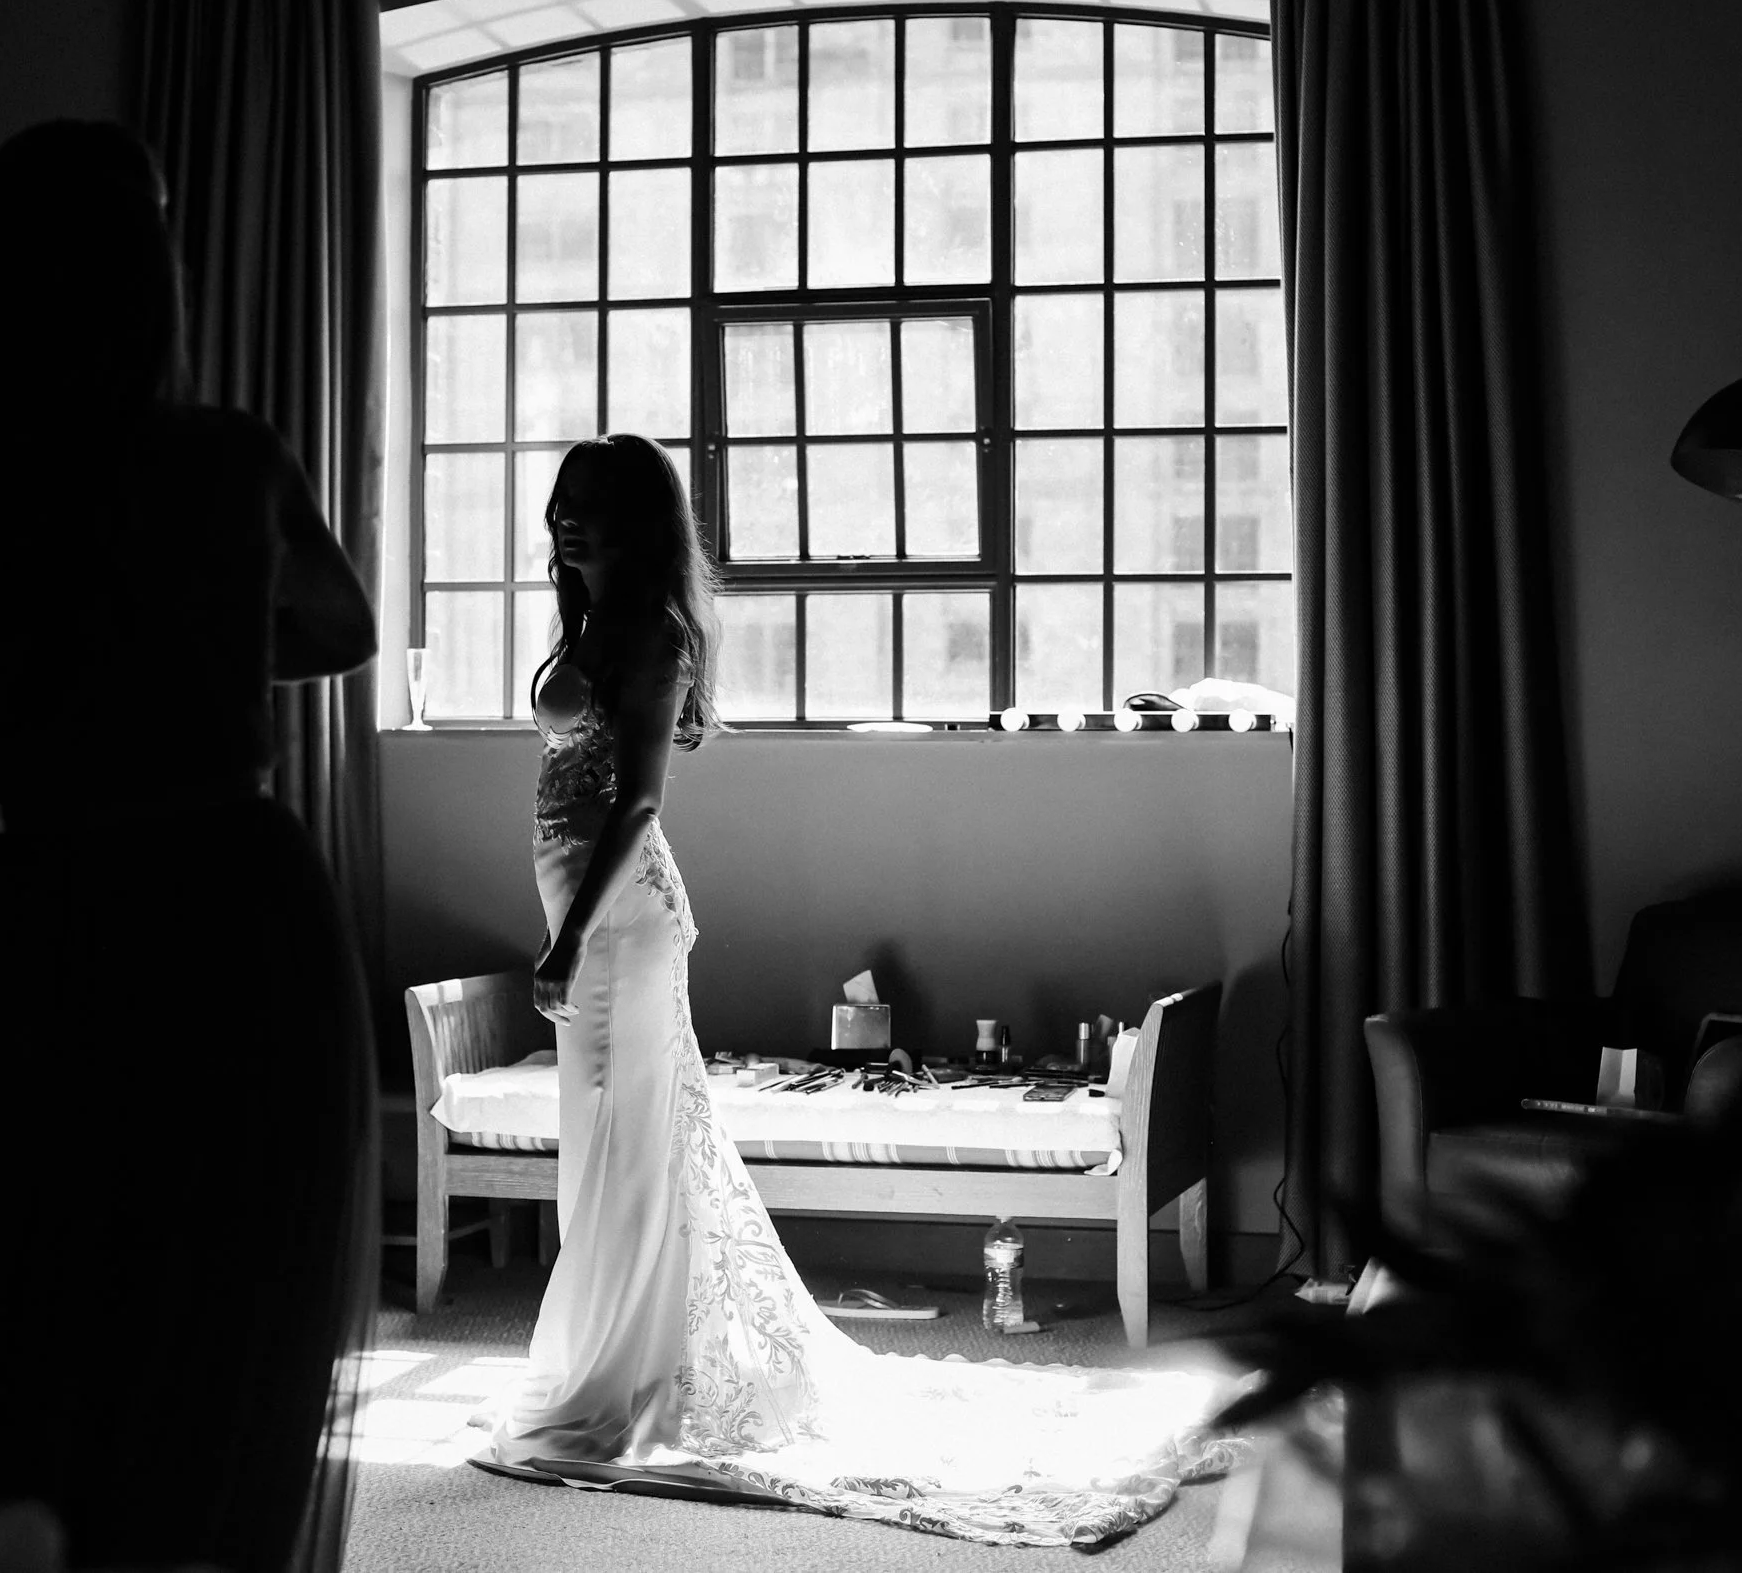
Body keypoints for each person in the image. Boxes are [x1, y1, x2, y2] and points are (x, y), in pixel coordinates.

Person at [0, 119, 378, 1573]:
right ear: (149, 285)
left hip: (66, 933)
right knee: (223, 1337)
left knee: (22, 1328)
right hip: (243, 920)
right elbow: (341, 628)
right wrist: (217, 638)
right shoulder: (231, 461)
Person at [479, 434, 1235, 1549]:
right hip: (578, 909)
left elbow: (636, 803)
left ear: (638, 520)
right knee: (603, 1143)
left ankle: (622, 1373)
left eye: (592, 504)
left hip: (618, 924)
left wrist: (564, 945)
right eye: (563, 501)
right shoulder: (584, 623)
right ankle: (613, 1352)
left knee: (622, 1143)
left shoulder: (652, 633)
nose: (567, 518)